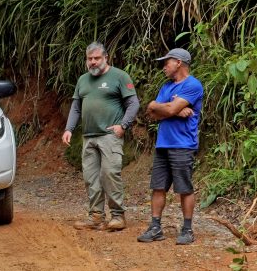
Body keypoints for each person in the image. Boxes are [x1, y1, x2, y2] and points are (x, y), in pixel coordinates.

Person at [61, 42, 140, 231]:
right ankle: (96, 216)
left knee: (110, 174)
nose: (93, 62)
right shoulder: (82, 80)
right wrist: (69, 128)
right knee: (91, 177)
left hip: (109, 136)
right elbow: (76, 106)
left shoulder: (119, 76)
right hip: (88, 136)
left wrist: (123, 126)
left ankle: (118, 216)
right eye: (90, 59)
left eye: (97, 58)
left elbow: (133, 103)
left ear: (106, 58)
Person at [138, 48, 204, 245]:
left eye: (166, 62)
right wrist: (171, 109)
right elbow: (152, 112)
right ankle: (156, 227)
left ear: (178, 63)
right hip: (163, 143)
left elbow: (166, 109)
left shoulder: (193, 85)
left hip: (183, 144)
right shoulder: (166, 87)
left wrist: (167, 108)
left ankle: (187, 229)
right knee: (158, 187)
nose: (164, 66)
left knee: (184, 188)